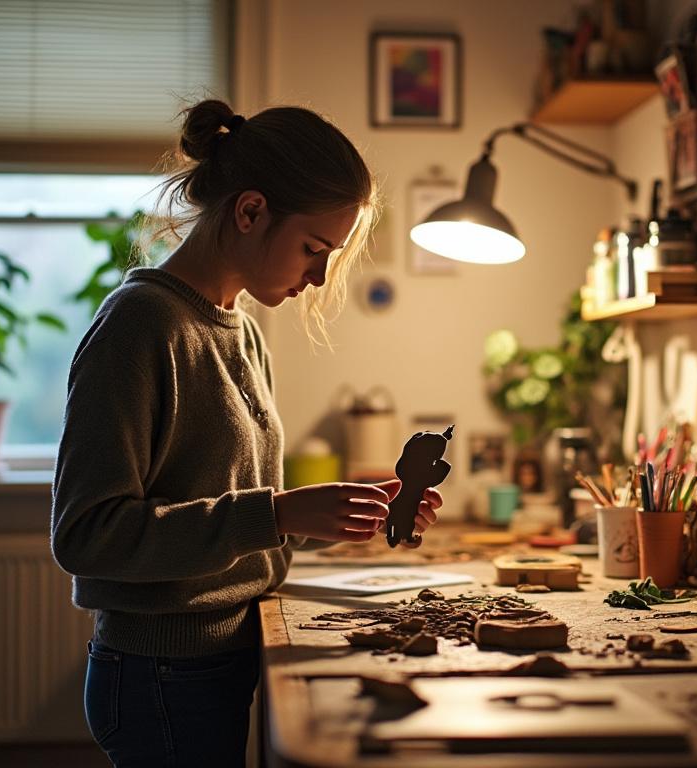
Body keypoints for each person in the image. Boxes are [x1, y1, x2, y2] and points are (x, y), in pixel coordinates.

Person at [51, 99, 443, 767]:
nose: (319, 275)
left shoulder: (242, 331)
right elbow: (86, 536)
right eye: (313, 249)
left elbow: (235, 508)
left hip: (223, 656)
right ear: (251, 211)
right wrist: (278, 514)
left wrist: (346, 508)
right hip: (160, 673)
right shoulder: (140, 325)